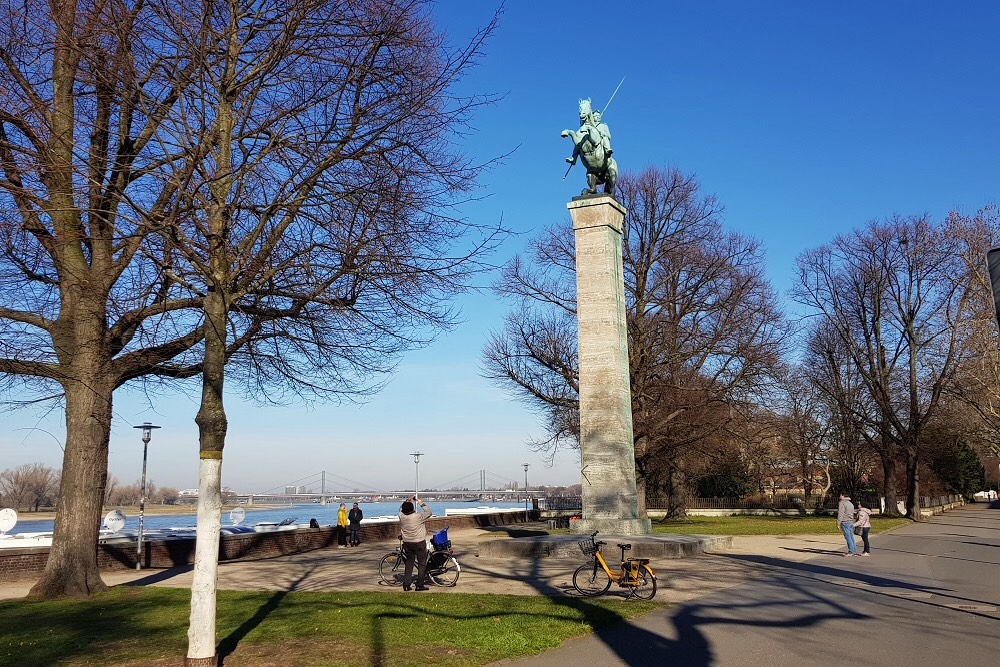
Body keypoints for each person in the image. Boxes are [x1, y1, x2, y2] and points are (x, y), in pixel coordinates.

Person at [398, 495, 432, 591]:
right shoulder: (418, 517)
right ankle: (419, 585)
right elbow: (429, 512)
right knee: (422, 563)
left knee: (409, 564)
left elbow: (401, 508)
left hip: (407, 543)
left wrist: (408, 500)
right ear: (412, 509)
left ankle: (406, 584)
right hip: (419, 542)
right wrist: (420, 503)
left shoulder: (401, 516)